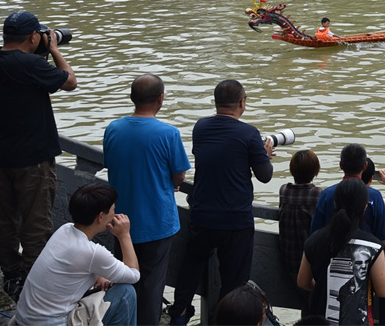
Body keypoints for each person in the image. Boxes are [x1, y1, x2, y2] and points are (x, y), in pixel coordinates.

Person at [169, 80, 274, 325]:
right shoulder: (249, 133)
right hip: (236, 221)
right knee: (234, 282)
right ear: (242, 103)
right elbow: (265, 175)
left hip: (203, 215)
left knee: (191, 267)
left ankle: (179, 315)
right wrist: (265, 155)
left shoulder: (200, 127)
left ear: (216, 103)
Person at [0, 10, 78, 301]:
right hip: (32, 161)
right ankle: (34, 282)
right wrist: (54, 49)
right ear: (33, 37)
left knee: (3, 221)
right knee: (36, 224)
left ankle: (11, 275)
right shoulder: (31, 65)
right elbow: (70, 82)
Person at [103, 74, 191, 326]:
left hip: (121, 219)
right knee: (152, 283)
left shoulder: (113, 129)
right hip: (157, 221)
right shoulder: (169, 133)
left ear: (132, 97)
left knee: (125, 277)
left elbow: (109, 163)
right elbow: (179, 174)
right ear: (161, 99)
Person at [14, 183, 139, 326]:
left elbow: (81, 262)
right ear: (100, 216)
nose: (114, 215)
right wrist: (124, 235)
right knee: (126, 292)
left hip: (23, 320)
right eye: (113, 210)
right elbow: (134, 275)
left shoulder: (64, 230)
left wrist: (99, 277)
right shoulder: (92, 252)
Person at [298, 178, 385, 326]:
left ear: (335, 204)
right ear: (365, 208)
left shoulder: (314, 240)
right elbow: (383, 291)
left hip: (320, 320)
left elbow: (303, 281)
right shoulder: (373, 246)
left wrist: (324, 286)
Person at [311, 143, 385, 244]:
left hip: (330, 252)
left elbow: (315, 232)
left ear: (341, 165)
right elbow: (383, 237)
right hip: (367, 252)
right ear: (365, 166)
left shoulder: (327, 194)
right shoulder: (375, 196)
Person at [279, 150, 322, 279]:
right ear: (315, 171)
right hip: (309, 262)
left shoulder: (284, 190)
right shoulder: (317, 194)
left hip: (288, 259)